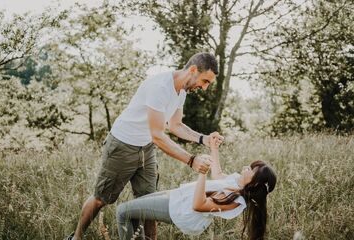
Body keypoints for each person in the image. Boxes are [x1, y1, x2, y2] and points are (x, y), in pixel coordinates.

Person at [65, 52, 225, 240]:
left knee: (150, 204)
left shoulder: (182, 90)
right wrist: (191, 160)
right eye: (205, 81)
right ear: (192, 70)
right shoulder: (160, 86)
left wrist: (203, 139)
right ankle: (75, 237)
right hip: (122, 145)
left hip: (146, 149)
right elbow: (157, 135)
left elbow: (175, 125)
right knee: (102, 199)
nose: (204, 88)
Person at [116, 134, 277, 240]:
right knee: (132, 213)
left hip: (180, 210)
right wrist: (214, 148)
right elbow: (218, 175)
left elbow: (199, 205)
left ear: (255, 183)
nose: (246, 167)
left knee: (122, 212)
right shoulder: (237, 182)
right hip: (179, 196)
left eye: (251, 170)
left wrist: (202, 173)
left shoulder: (236, 201)